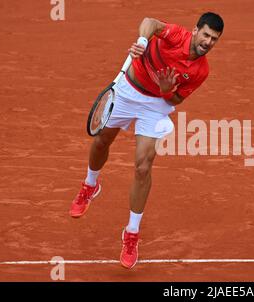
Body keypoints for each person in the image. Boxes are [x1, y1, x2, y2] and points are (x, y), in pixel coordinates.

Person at [69, 12, 224, 269]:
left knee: (143, 166)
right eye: (206, 35)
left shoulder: (201, 71)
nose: (208, 42)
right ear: (196, 30)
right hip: (129, 89)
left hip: (154, 106)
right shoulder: (176, 35)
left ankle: (131, 233)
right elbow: (150, 22)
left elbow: (175, 100)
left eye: (214, 39)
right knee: (101, 141)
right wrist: (142, 40)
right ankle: (90, 185)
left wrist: (166, 90)